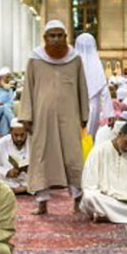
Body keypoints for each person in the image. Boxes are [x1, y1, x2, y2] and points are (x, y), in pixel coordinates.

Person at [23, 19, 89, 215]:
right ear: (45, 38)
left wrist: (84, 114)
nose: (56, 40)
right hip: (42, 118)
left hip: (70, 117)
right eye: (52, 36)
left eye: (60, 35)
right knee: (42, 157)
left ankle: (77, 200)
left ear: (66, 37)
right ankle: (42, 202)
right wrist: (27, 116)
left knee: (73, 157)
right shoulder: (35, 59)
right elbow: (28, 88)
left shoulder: (75, 59)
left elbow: (82, 88)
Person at [75, 34, 114, 138]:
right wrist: (109, 113)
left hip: (75, 106)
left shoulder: (72, 63)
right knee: (89, 136)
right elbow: (104, 91)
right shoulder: (96, 64)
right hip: (93, 105)